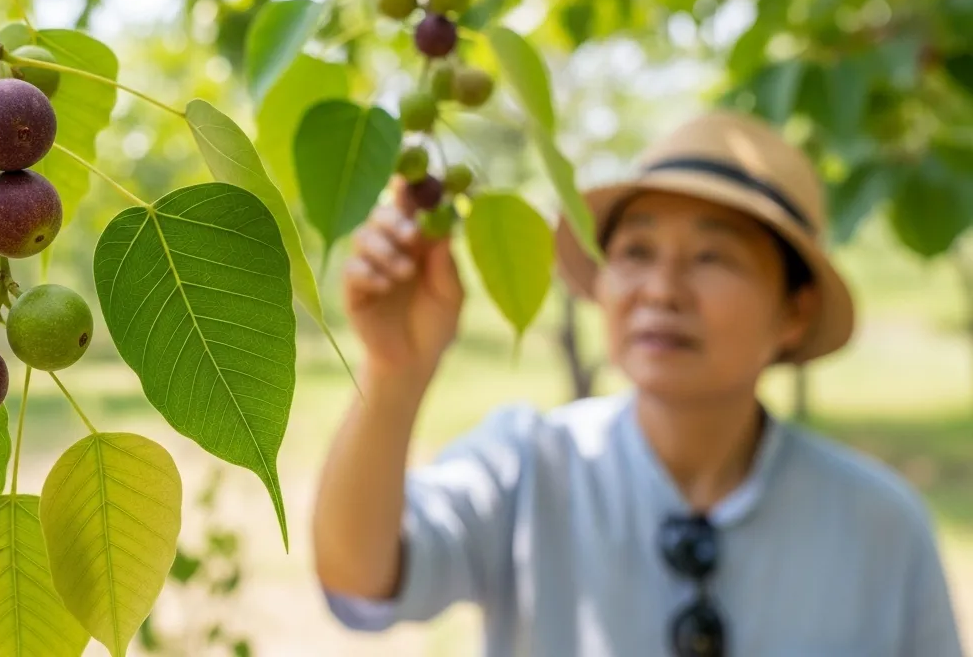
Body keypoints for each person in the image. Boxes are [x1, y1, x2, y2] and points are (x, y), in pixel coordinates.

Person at [311, 110, 965, 656]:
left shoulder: (880, 526)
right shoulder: (529, 466)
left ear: (793, 310)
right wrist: (394, 374)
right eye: (635, 252)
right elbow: (360, 577)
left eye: (713, 257)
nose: (661, 290)